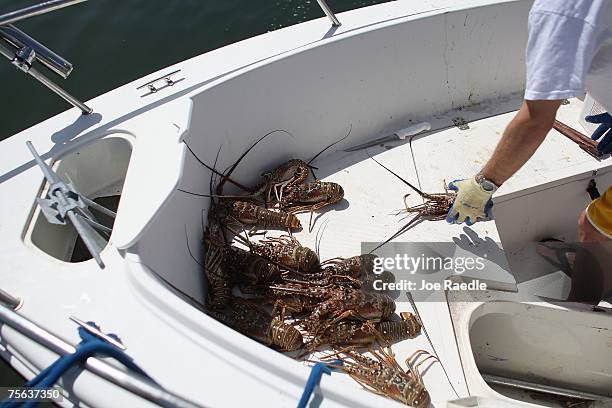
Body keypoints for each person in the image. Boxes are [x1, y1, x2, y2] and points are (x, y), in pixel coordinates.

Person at [446, 0, 612, 303]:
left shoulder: (559, 9)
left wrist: (483, 185)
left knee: (594, 227)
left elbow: (535, 120)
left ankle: (580, 315)